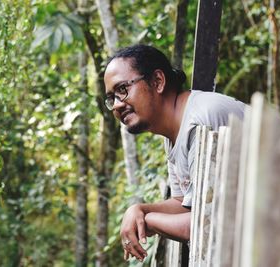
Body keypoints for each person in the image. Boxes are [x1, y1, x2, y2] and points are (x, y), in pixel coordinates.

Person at [103, 44, 245, 262]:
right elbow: (182, 202)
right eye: (111, 98)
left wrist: (147, 221)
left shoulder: (200, 121)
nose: (116, 106)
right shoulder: (173, 134)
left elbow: (204, 225)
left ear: (157, 81)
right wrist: (139, 209)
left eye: (122, 89)